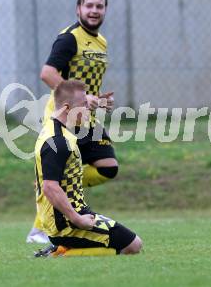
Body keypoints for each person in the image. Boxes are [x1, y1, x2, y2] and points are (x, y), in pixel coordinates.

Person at [27, 0, 119, 243]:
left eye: (99, 6)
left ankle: (48, 184)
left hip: (86, 119)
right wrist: (79, 99)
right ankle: (39, 229)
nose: (94, 10)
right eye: (89, 5)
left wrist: (97, 100)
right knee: (58, 176)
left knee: (108, 168)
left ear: (105, 10)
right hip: (65, 117)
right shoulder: (69, 38)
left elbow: (85, 83)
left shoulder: (101, 41)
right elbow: (48, 73)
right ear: (78, 9)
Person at [34, 80, 142, 256]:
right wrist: (78, 219)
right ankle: (57, 254)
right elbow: (50, 187)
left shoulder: (54, 130)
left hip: (71, 215)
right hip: (66, 222)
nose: (89, 110)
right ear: (68, 108)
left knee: (131, 243)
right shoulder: (58, 142)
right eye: (84, 105)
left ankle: (62, 249)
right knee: (133, 246)